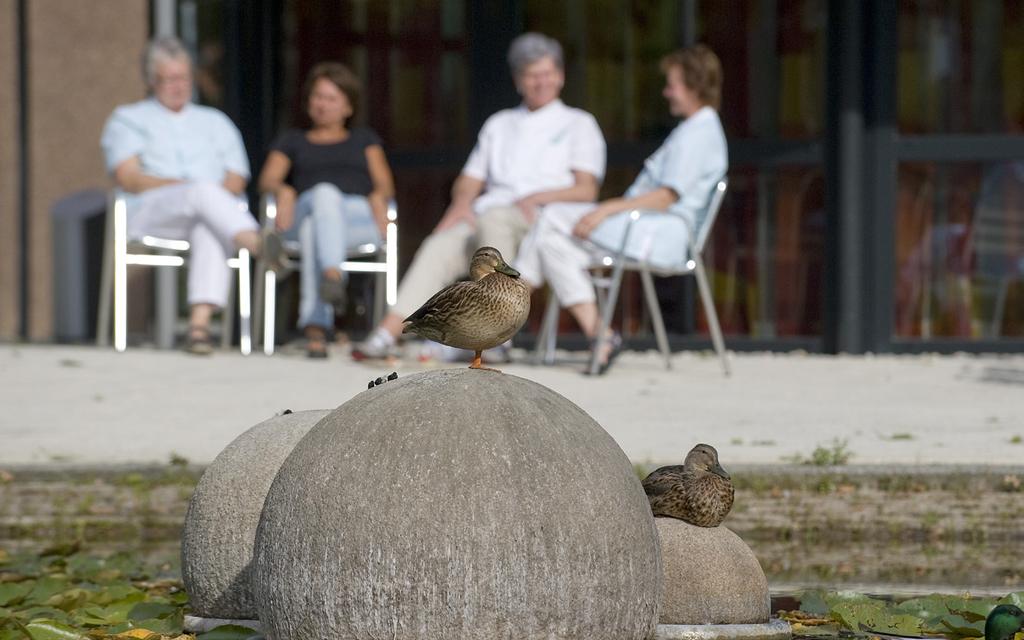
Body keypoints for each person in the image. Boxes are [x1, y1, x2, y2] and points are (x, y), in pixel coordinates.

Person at [352, 32, 606, 361]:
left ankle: (496, 336)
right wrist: (459, 206)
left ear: (559, 76)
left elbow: (587, 188)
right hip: (492, 218)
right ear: (518, 80)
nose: (540, 82)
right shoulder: (499, 124)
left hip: (545, 219)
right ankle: (388, 332)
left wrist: (535, 198)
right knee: (440, 244)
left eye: (546, 73)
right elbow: (470, 180)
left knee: (494, 218)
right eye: (532, 75)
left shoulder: (579, 123)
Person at [516, 44, 728, 374]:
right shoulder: (692, 129)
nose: (666, 92)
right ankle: (601, 336)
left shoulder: (700, 134)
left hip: (658, 231)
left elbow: (667, 196)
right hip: (642, 225)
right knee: (550, 244)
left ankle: (503, 313)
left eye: (672, 84)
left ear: (694, 85)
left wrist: (607, 209)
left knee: (552, 215)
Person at [101, 36, 270, 355]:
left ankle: (198, 328)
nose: (180, 86)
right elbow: (129, 176)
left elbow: (236, 177)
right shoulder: (128, 118)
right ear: (152, 80)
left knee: (210, 221)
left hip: (208, 212)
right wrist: (184, 188)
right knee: (203, 192)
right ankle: (259, 244)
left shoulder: (215, 121)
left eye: (185, 77)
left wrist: (203, 196)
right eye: (171, 78)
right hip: (151, 212)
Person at [258, 62, 395, 358]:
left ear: (348, 106)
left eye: (331, 98)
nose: (322, 105)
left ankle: (315, 330)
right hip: (306, 209)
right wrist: (284, 189)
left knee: (315, 231)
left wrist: (376, 198)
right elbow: (267, 179)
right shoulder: (292, 140)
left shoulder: (364, 140)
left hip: (356, 217)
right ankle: (333, 275)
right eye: (317, 97)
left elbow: (385, 185)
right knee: (323, 196)